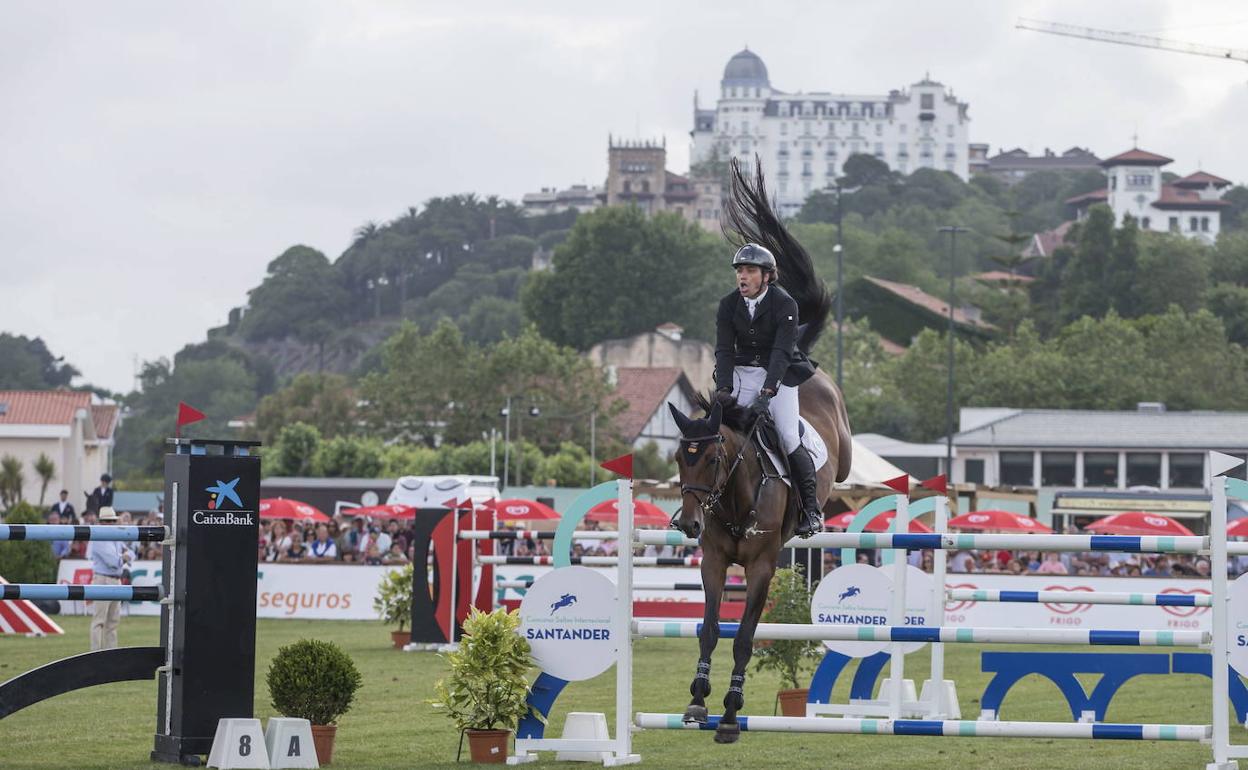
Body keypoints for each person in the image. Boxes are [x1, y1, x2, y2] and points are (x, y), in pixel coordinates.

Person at [713, 243, 822, 537]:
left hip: (780, 374)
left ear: (766, 276)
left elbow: (781, 352)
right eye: (739, 271)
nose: (742, 277)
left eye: (749, 271)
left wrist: (767, 393)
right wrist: (723, 389)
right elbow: (724, 350)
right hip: (741, 372)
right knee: (719, 434)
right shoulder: (728, 304)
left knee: (787, 435)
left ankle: (811, 511)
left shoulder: (785, 304)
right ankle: (707, 506)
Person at [86, 507, 132, 650]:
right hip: (103, 579)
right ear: (101, 522)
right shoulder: (98, 537)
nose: (110, 523)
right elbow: (113, 561)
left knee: (113, 622)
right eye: (107, 521)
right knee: (99, 620)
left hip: (115, 580)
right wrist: (124, 557)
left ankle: (111, 654)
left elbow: (130, 553)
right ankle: (95, 654)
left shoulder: (115, 536)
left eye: (112, 521)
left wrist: (124, 556)